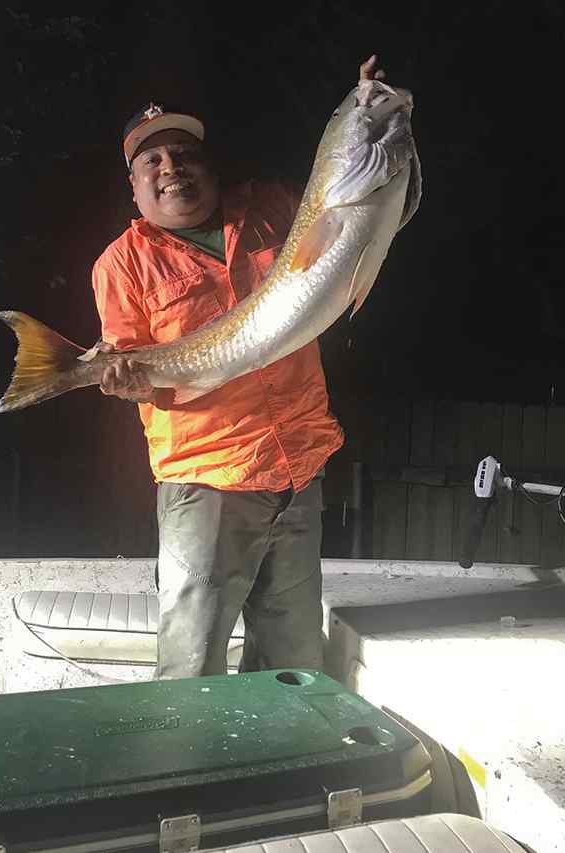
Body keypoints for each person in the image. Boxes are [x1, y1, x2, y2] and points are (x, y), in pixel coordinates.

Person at [92, 56, 386, 679]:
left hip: (298, 471)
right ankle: (186, 774)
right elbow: (132, 363)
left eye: (184, 155)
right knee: (192, 662)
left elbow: (352, 197)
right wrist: (120, 379)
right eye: (153, 162)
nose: (171, 169)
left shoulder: (274, 211)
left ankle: (276, 773)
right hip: (207, 482)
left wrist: (359, 108)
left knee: (292, 660)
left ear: (210, 165)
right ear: (135, 187)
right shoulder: (122, 264)